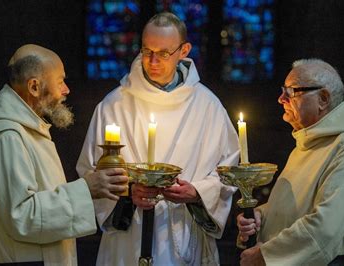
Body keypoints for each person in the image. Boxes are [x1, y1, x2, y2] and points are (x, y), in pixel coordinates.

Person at [76, 12, 240, 266]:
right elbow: (90, 173)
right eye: (146, 50)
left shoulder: (208, 107)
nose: (152, 61)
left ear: (184, 50)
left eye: (163, 53)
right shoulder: (114, 105)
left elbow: (228, 172)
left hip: (183, 233)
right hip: (128, 240)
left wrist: (197, 192)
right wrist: (129, 194)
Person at [0, 44, 129, 266]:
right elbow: (21, 216)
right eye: (60, 82)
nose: (66, 90)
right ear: (34, 86)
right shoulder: (7, 138)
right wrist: (85, 190)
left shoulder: (26, 131)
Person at [237, 59, 344, 265]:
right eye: (282, 90)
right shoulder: (307, 142)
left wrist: (266, 256)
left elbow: (326, 228)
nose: (280, 99)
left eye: (291, 92)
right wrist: (259, 217)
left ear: (323, 98)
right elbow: (295, 208)